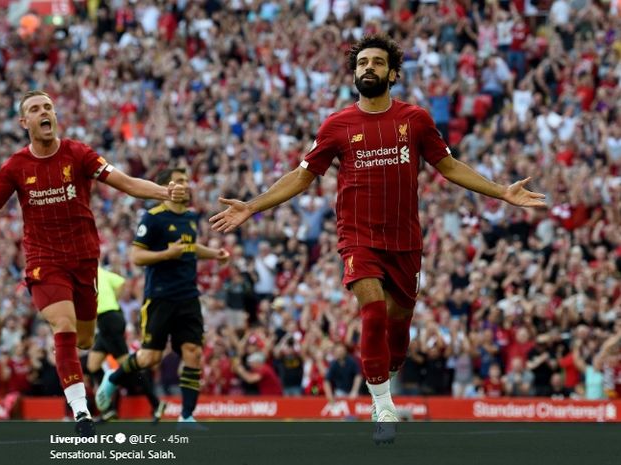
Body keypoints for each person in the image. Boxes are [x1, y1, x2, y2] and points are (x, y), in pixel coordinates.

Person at [209, 34, 546, 443]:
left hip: (405, 243)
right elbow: (302, 176)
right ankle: (383, 406)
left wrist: (502, 192)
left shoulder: (416, 119)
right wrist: (252, 206)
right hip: (358, 238)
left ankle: (386, 375)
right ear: (354, 73)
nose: (368, 68)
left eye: (376, 62)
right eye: (362, 63)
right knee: (373, 312)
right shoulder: (337, 125)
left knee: (398, 335)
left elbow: (450, 167)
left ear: (393, 73)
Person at [0, 90, 185, 435]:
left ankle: (87, 380)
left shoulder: (79, 153)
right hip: (44, 261)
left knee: (87, 339)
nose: (44, 112)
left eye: (48, 107)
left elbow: (126, 183)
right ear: (24, 122)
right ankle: (80, 410)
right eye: (35, 108)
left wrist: (164, 192)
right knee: (64, 326)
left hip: (84, 260)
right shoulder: (15, 167)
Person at [96, 168, 229, 424]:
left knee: (193, 352)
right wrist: (166, 254)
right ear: (165, 187)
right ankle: (113, 378)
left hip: (188, 296)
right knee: (150, 357)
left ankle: (187, 417)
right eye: (179, 181)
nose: (185, 185)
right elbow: (136, 256)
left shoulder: (190, 218)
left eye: (187, 181)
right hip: (159, 297)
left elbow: (189, 247)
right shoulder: (153, 218)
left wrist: (214, 254)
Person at [86, 266, 165, 423]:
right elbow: (122, 282)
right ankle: (108, 409)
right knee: (93, 365)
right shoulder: (99, 271)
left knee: (129, 367)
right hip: (109, 320)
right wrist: (113, 300)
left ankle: (156, 404)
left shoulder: (85, 274)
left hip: (109, 320)